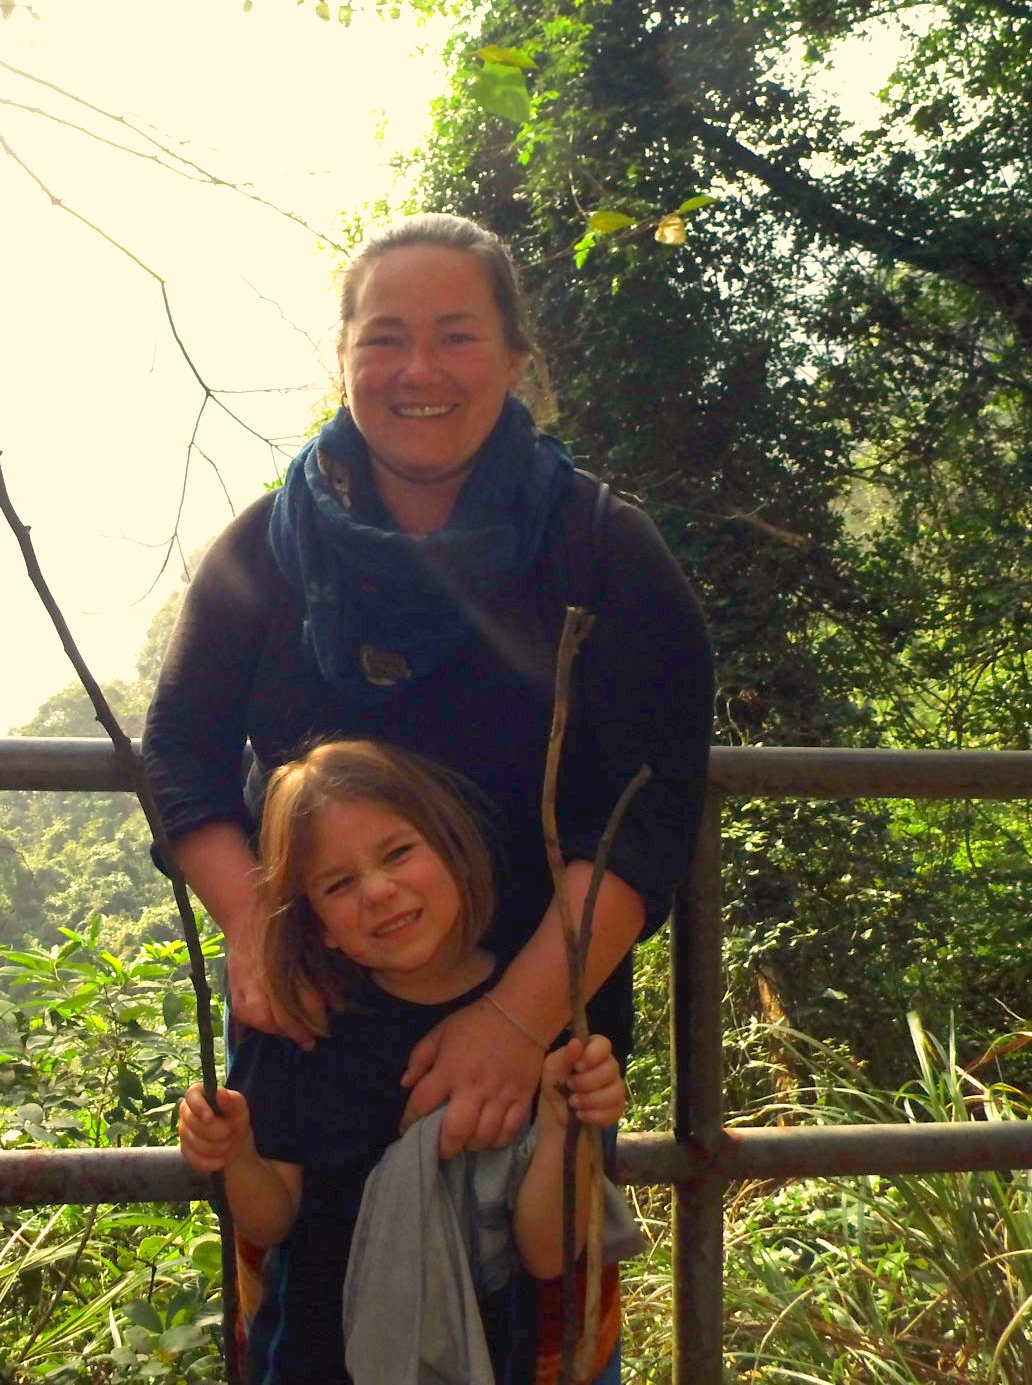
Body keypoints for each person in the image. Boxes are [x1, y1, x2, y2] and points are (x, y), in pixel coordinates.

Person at [144, 211, 714, 1158]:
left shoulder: (600, 550)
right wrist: (253, 928)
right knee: (302, 1256)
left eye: (456, 337)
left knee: (526, 1259)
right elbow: (179, 755)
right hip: (311, 1035)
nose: (419, 370)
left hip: (536, 1055)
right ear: (343, 359)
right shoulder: (268, 551)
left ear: (516, 359)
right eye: (385, 340)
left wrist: (518, 1020)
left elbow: (648, 809)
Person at [175, 740, 630, 1385]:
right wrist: (236, 1154)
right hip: (320, 1357)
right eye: (338, 884)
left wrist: (566, 1127)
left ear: (453, 848)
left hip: (497, 1359)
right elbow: (271, 1220)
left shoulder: (540, 1021)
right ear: (318, 923)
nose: (379, 891)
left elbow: (548, 1251)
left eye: (397, 853)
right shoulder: (300, 1030)